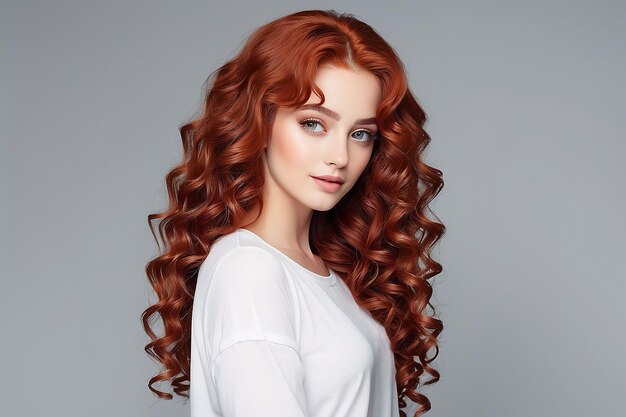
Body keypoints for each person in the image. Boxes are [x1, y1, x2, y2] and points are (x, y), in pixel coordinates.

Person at [142, 9, 445, 417]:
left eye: (360, 134)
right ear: (262, 120)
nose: (339, 156)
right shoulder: (249, 270)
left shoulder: (326, 273)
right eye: (314, 124)